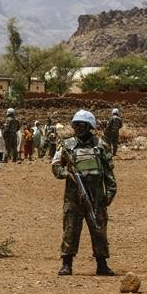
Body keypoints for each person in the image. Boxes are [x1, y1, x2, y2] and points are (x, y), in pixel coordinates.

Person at [51, 110, 117, 276]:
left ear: (89, 127)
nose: (77, 128)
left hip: (96, 197)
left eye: (81, 125)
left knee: (99, 228)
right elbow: (56, 166)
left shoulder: (100, 145)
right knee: (70, 229)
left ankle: (102, 264)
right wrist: (67, 174)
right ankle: (67, 263)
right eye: (75, 125)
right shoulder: (66, 145)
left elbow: (108, 172)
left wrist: (110, 192)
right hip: (73, 197)